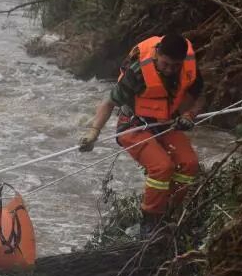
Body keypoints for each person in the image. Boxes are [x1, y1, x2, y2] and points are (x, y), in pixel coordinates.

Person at [78, 34, 206, 237]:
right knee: (162, 167)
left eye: (175, 66)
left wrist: (189, 115)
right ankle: (150, 221)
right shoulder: (138, 72)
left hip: (167, 123)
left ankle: (171, 212)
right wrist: (93, 133)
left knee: (189, 164)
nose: (170, 70)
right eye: (165, 64)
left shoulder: (188, 68)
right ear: (157, 54)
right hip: (134, 125)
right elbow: (109, 103)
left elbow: (199, 97)